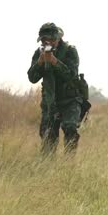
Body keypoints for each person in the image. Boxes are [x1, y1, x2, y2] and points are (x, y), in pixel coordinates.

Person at [28, 22, 83, 155]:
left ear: (58, 38)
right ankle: (48, 169)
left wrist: (54, 61)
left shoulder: (70, 51)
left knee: (70, 128)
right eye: (44, 40)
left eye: (51, 40)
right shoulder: (39, 53)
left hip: (69, 100)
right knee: (48, 136)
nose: (48, 43)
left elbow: (71, 76)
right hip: (50, 102)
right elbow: (32, 78)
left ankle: (69, 165)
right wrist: (40, 62)